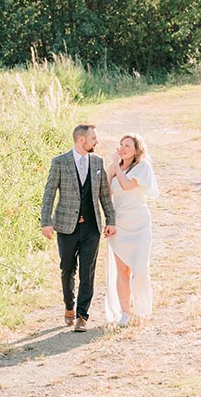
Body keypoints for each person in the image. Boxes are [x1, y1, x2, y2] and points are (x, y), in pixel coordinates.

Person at [40, 122, 116, 332]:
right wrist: (46, 221)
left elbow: (104, 195)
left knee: (87, 271)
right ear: (81, 140)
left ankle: (83, 315)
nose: (97, 142)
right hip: (66, 226)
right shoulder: (60, 162)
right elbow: (49, 193)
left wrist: (110, 220)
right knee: (67, 269)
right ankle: (69, 307)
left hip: (92, 227)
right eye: (94, 139)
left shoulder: (98, 162)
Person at [104, 132, 159, 326]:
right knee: (122, 271)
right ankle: (125, 313)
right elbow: (107, 193)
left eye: (128, 145)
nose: (123, 148)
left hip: (139, 224)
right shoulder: (114, 168)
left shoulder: (142, 167)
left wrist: (116, 168)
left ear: (136, 150)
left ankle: (142, 309)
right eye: (121, 144)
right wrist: (111, 170)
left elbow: (127, 185)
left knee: (140, 269)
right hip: (119, 224)